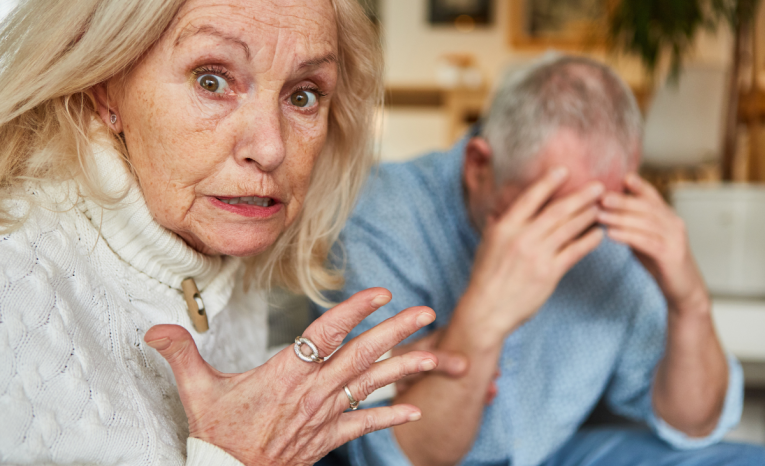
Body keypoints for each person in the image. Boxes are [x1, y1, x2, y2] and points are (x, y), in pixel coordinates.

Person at [0, 0, 441, 464]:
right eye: (211, 80)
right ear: (106, 87)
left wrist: (345, 384)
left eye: (303, 95)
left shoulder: (217, 258)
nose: (270, 148)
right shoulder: (12, 282)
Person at [314, 55, 765, 466]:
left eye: (598, 211)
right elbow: (401, 458)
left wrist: (689, 303)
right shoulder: (382, 216)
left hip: (557, 454)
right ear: (478, 166)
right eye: (551, 210)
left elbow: (694, 423)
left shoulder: (608, 229)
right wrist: (483, 318)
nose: (577, 236)